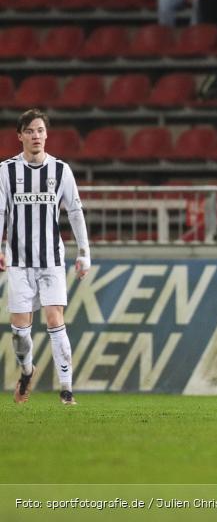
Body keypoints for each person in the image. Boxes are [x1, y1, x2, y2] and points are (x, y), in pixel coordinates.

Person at [1, 109, 91, 406]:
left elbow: (75, 212)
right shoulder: (6, 171)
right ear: (20, 136)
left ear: (47, 134)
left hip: (51, 259)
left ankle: (66, 391)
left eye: (40, 130)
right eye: (30, 131)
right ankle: (27, 371)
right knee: (19, 333)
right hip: (19, 261)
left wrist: (84, 253)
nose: (36, 135)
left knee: (55, 320)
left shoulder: (61, 170)